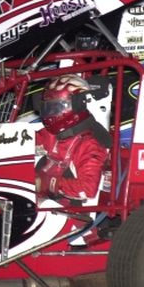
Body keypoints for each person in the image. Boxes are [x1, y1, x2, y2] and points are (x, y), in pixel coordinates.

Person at [35, 74, 110, 203]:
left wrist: (46, 183)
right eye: (48, 108)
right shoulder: (52, 133)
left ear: (77, 106)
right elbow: (23, 145)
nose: (50, 114)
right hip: (41, 200)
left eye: (55, 108)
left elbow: (87, 189)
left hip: (70, 211)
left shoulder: (89, 145)